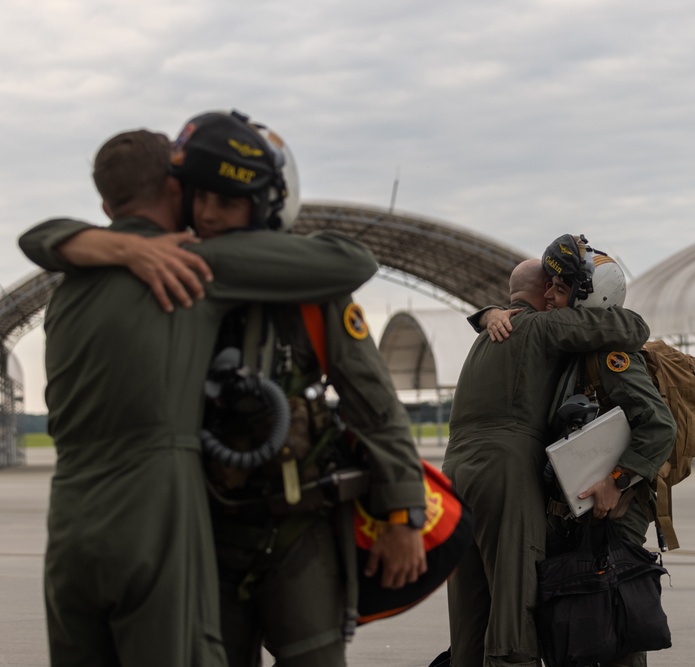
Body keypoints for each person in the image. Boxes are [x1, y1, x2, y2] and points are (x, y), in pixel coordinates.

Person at [18, 127, 380, 667]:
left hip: (70, 521)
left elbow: (37, 237)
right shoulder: (193, 264)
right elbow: (351, 262)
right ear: (174, 186)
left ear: (104, 203)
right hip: (152, 509)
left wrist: (110, 242)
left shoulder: (70, 280)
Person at [170, 110, 427, 667]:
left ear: (264, 203)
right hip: (202, 530)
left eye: (228, 199)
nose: (210, 213)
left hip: (298, 530)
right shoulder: (172, 281)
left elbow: (375, 406)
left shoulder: (315, 294)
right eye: (200, 196)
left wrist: (404, 514)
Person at [443, 240, 652, 667]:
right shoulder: (540, 326)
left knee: (469, 603)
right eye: (554, 288)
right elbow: (632, 329)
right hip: (504, 468)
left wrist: (486, 314)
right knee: (514, 592)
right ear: (542, 291)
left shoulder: (484, 339)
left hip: (454, 473)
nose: (559, 297)